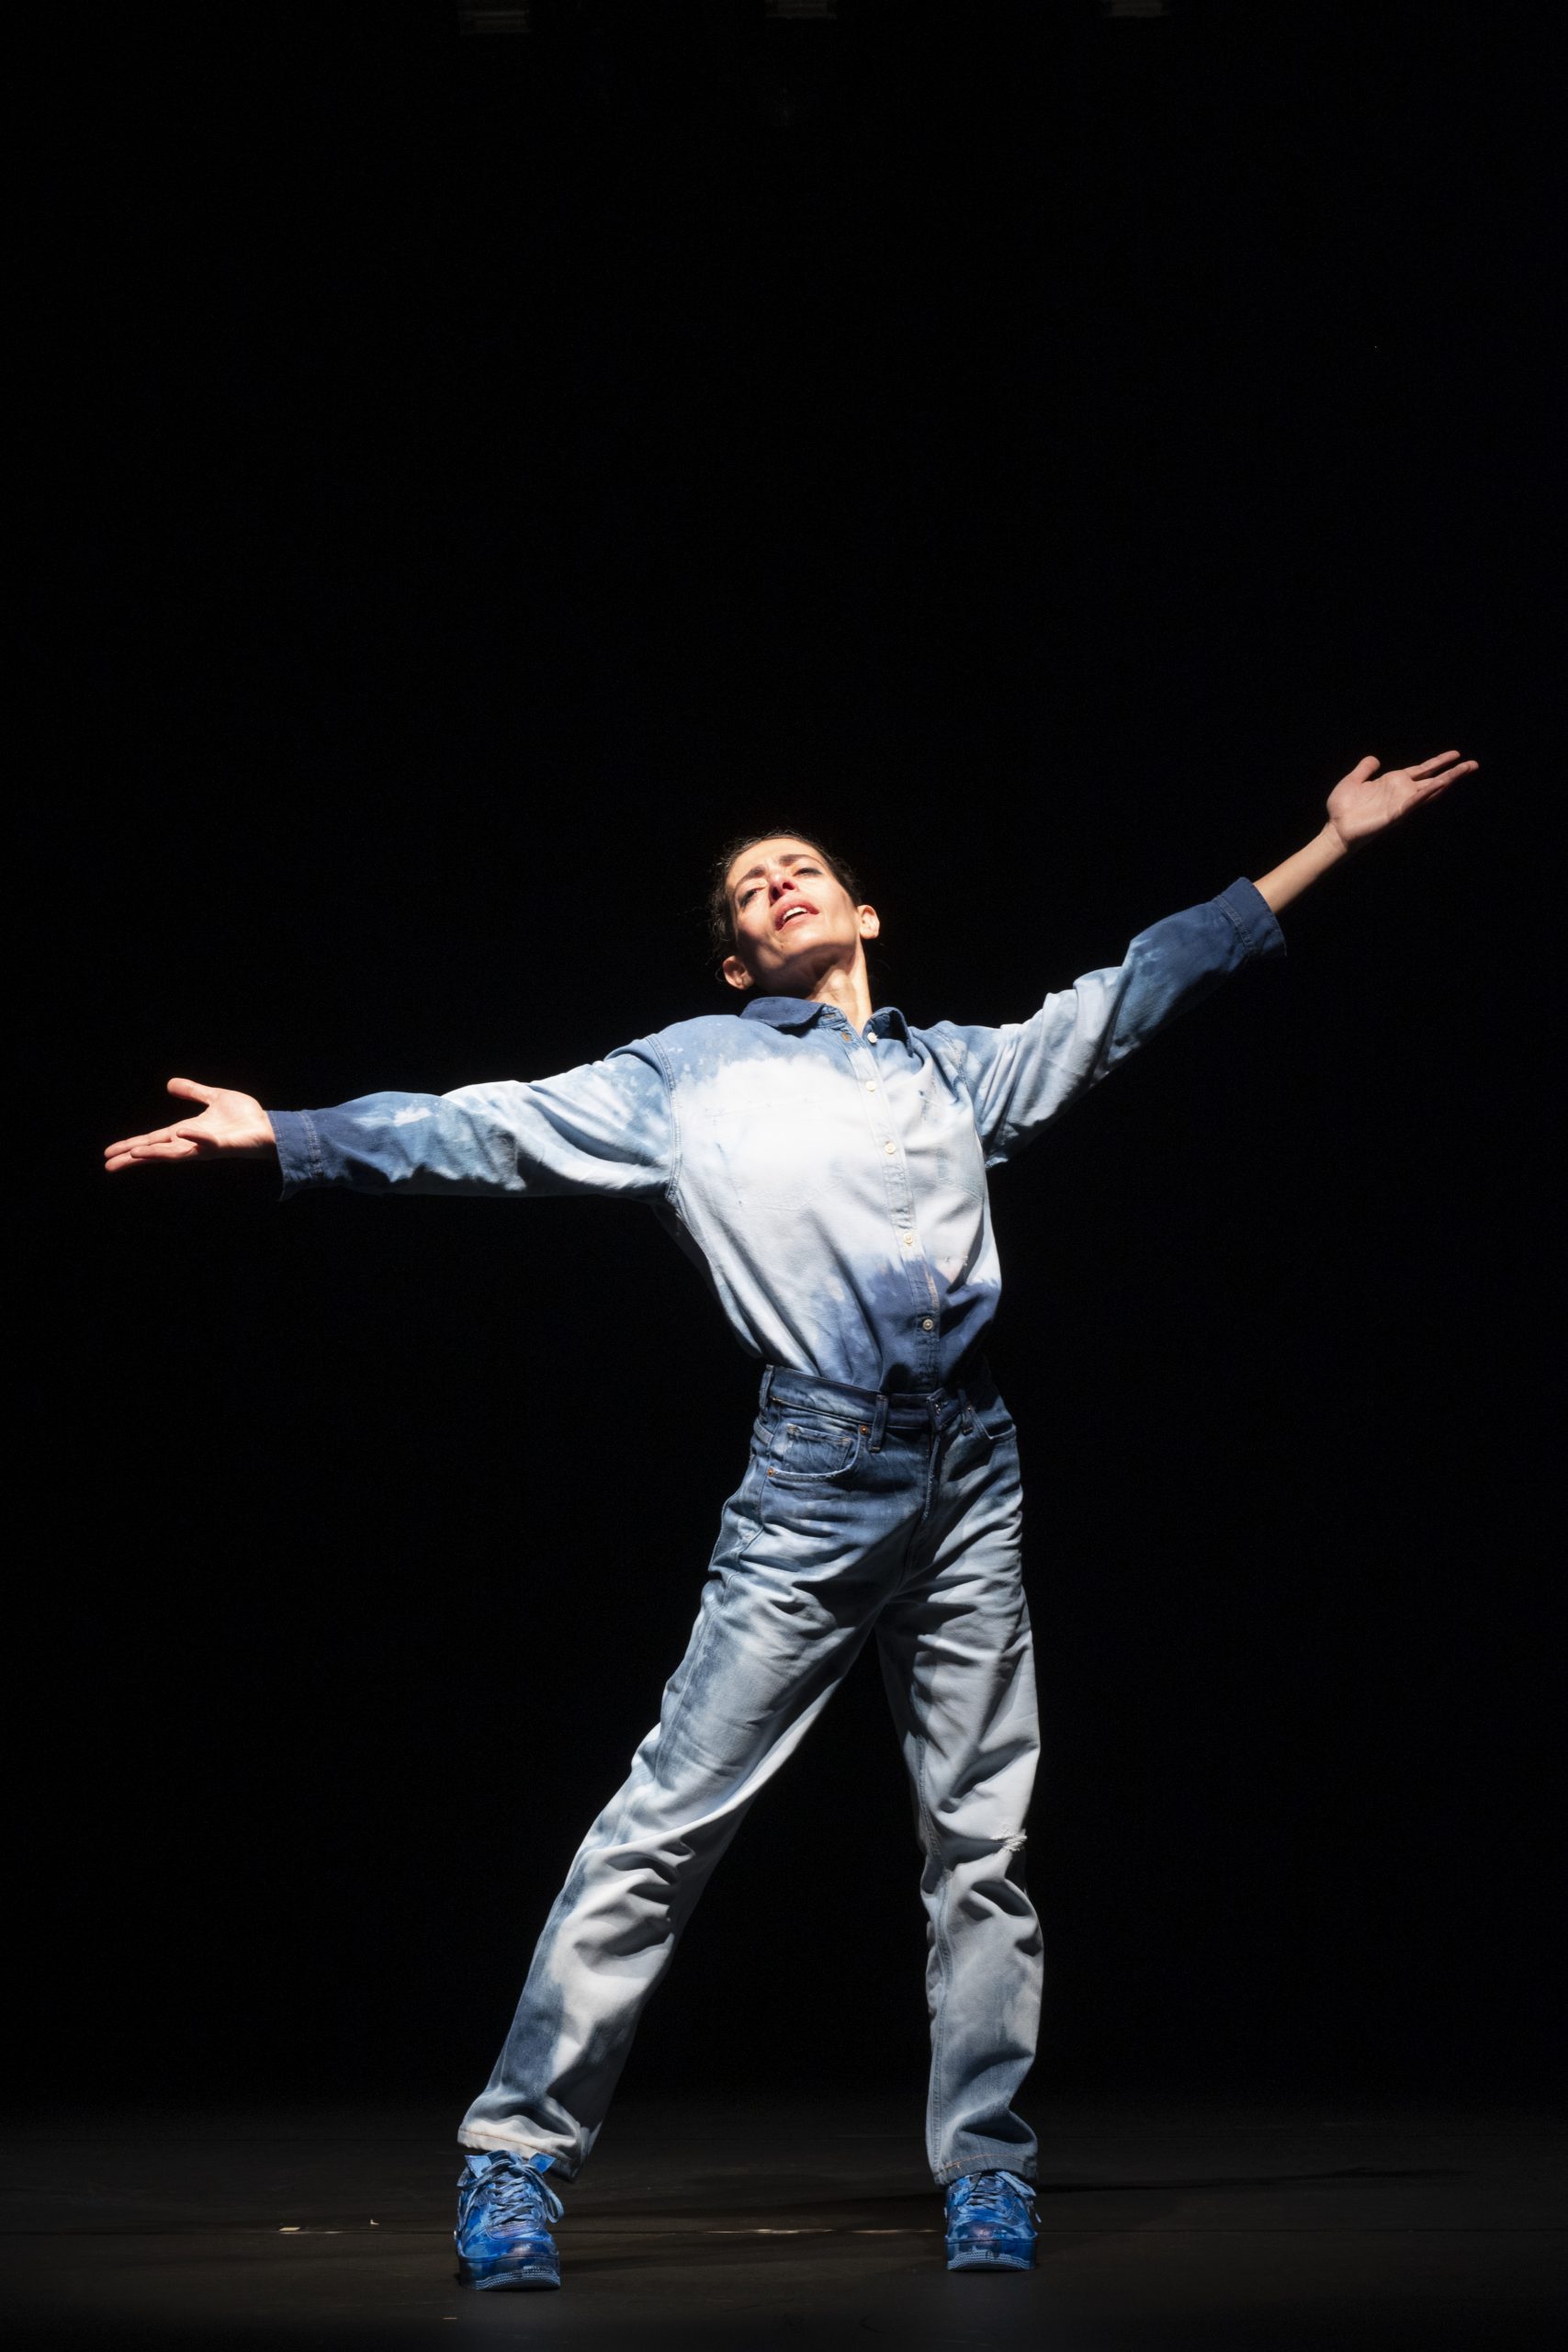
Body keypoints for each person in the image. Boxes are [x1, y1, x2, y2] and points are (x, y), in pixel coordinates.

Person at [105, 748, 1475, 2290]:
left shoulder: (956, 1072)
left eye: (799, 864)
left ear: (862, 912)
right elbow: (483, 1126)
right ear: (740, 956)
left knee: (984, 1848)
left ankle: (990, 2176)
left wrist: (1327, 846)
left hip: (972, 1471)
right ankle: (516, 2158)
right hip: (816, 1486)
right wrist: (286, 1133)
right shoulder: (686, 1075)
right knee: (664, 1828)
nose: (776, 880)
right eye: (749, 887)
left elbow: (1138, 986)